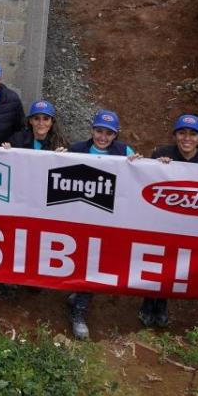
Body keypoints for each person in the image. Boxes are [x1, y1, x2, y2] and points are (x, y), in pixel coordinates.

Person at [140, 113, 198, 328]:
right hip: (160, 222)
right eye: (182, 133)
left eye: (192, 134)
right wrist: (155, 165)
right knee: (155, 263)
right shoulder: (162, 153)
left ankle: (162, 304)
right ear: (175, 135)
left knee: (172, 266)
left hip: (187, 226)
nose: (187, 138)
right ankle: (147, 303)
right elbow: (144, 179)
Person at [66, 109, 140, 340]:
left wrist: (140, 163)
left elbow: (141, 174)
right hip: (80, 217)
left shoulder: (124, 151)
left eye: (109, 133)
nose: (103, 137)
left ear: (115, 135)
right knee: (78, 259)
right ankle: (77, 299)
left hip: (108, 220)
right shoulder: (77, 149)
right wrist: (58, 156)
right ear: (92, 131)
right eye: (99, 131)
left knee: (93, 263)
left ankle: (79, 308)